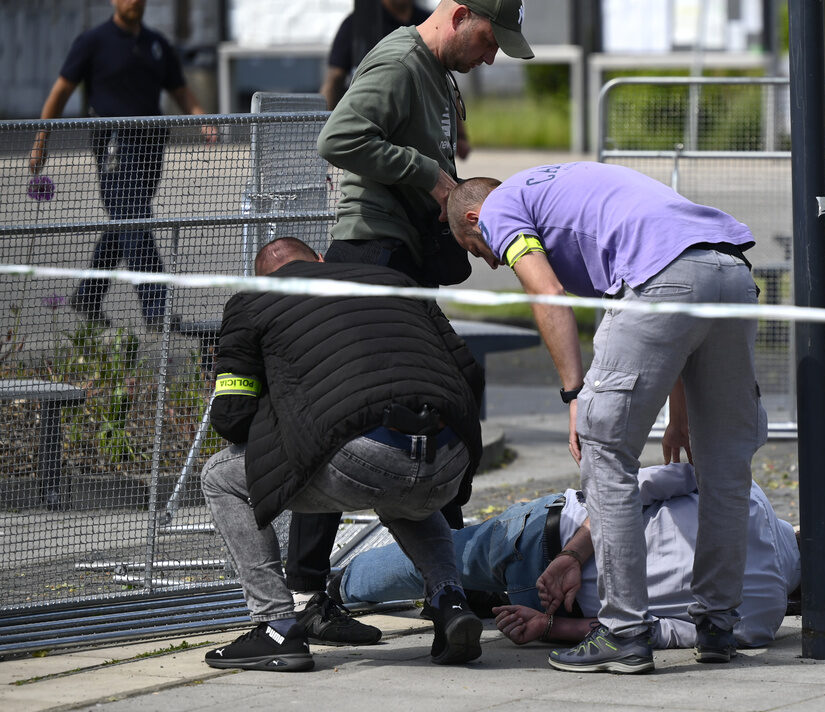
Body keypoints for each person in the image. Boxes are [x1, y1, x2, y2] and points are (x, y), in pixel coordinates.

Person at [445, 162, 765, 674]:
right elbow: (677, 327)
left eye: (474, 248)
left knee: (604, 449)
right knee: (724, 466)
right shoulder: (561, 195)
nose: (487, 261)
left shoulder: (500, 209)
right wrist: (678, 419)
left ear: (475, 218)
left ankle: (623, 634)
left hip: (664, 276)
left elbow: (546, 294)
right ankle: (718, 627)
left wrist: (576, 393)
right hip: (728, 270)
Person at [291, 0, 530, 645]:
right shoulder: (401, 59)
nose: (491, 55)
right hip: (370, 256)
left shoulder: (436, 73)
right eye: (488, 39)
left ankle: (445, 585)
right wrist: (431, 178)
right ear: (459, 15)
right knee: (347, 411)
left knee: (452, 394)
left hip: (401, 262)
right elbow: (337, 139)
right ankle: (311, 591)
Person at [198, 237, 488, 672]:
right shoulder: (393, 282)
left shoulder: (253, 303)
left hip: (366, 457)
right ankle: (449, 601)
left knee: (219, 476)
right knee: (406, 487)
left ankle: (276, 626)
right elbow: (469, 372)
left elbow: (231, 416)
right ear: (318, 259)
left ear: (260, 280)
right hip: (448, 454)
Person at [336, 463, 825, 651]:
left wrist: (570, 555)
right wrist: (548, 627)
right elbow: (656, 631)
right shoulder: (762, 621)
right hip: (553, 610)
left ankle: (329, 590)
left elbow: (632, 490)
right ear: (800, 601)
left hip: (550, 536)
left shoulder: (742, 493)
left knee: (439, 559)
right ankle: (473, 606)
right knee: (469, 592)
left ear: (801, 530)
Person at [27, 0, 217, 330]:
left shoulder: (157, 44)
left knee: (125, 219)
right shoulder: (93, 41)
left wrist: (203, 119)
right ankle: (156, 307)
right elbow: (60, 91)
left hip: (151, 145)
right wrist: (41, 140)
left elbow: (181, 90)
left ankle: (88, 295)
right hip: (114, 143)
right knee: (134, 218)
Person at [320, 0, 471, 160]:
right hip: (380, 127)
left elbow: (444, 83)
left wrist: (459, 135)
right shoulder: (357, 24)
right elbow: (334, 79)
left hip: (422, 129)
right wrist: (323, 127)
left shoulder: (428, 21)